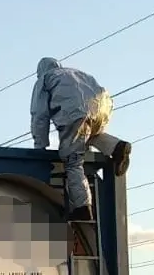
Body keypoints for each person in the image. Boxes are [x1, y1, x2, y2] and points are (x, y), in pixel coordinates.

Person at [29, 57, 131, 222]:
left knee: (73, 161)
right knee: (88, 134)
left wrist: (39, 147)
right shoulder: (76, 73)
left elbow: (39, 115)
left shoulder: (45, 79)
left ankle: (82, 207)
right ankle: (116, 147)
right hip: (101, 109)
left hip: (74, 112)